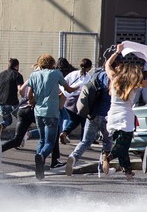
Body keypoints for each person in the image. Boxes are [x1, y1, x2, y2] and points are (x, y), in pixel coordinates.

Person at [27, 54, 78, 180]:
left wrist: (33, 100)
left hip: (38, 112)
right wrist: (79, 86)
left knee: (41, 140)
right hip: (52, 113)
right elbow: (69, 90)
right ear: (52, 63)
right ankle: (41, 156)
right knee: (50, 142)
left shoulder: (33, 75)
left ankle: (40, 166)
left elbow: (29, 95)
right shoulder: (56, 74)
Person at [102, 43, 147, 181]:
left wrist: (117, 52)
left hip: (112, 116)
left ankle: (127, 171)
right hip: (126, 117)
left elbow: (107, 66)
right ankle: (107, 156)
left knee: (120, 144)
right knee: (123, 146)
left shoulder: (114, 79)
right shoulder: (135, 83)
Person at [65, 55, 113, 176]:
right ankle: (103, 166)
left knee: (86, 141)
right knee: (107, 141)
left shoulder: (95, 75)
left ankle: (73, 157)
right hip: (107, 115)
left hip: (92, 114)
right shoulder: (111, 78)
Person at [0, 58, 25, 137]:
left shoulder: (0, 75)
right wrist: (25, 98)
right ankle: (18, 137)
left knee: (7, 121)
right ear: (17, 66)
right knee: (21, 120)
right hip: (13, 103)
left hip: (1, 103)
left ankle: (1, 125)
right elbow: (20, 89)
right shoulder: (17, 75)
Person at [60, 58, 93, 144]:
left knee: (74, 120)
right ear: (90, 68)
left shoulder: (73, 73)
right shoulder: (88, 77)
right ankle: (83, 141)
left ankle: (65, 133)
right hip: (79, 101)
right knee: (84, 121)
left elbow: (63, 82)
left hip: (68, 101)